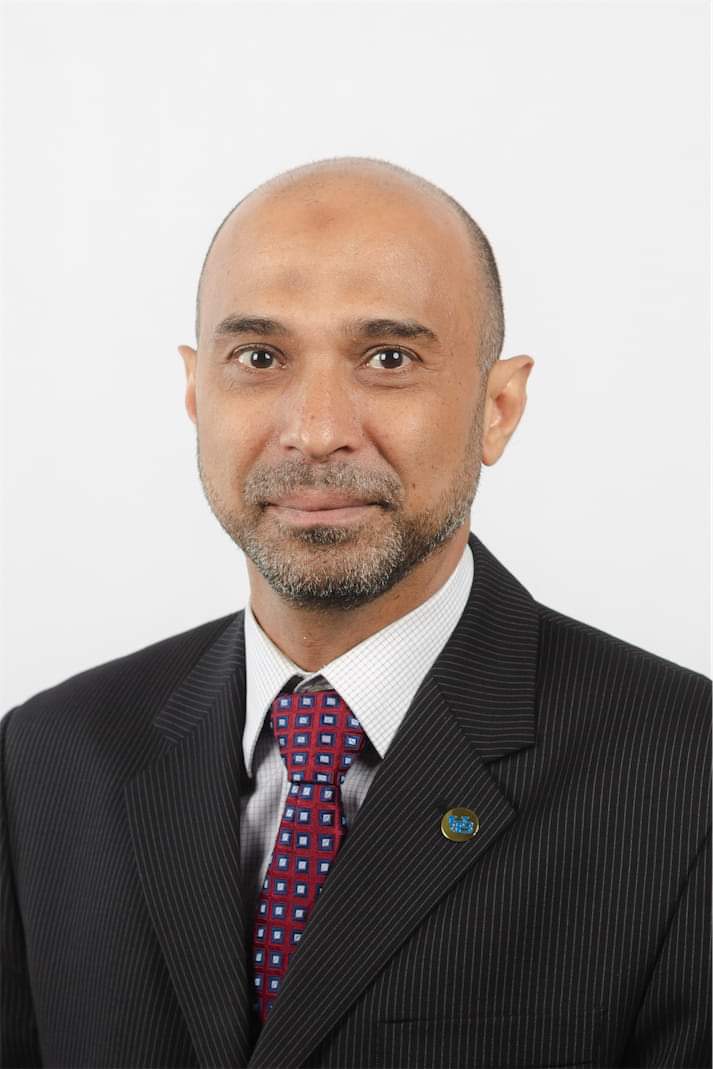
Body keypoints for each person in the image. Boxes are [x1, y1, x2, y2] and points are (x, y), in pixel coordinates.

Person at [1, 157, 709, 1069]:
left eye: (388, 358)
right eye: (260, 358)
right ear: (195, 392)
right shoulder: (49, 756)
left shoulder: (686, 777)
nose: (316, 429)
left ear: (498, 407)